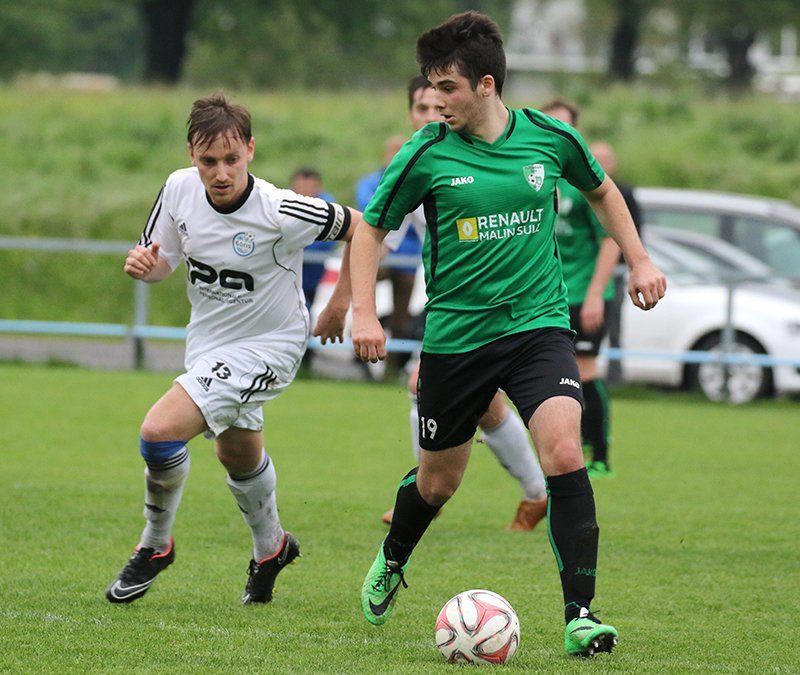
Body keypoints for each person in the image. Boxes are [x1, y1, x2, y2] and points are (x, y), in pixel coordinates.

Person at [349, 12, 665, 657]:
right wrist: (363, 312)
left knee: (565, 452)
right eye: (430, 89)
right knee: (438, 484)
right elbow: (371, 229)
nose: (437, 102)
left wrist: (639, 259)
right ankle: (394, 556)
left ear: (486, 84)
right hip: (458, 339)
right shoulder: (427, 152)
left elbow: (603, 192)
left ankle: (581, 616)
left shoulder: (549, 138)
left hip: (538, 327)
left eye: (448, 88)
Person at [106, 93, 357, 605]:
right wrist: (144, 267)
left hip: (270, 345)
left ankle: (155, 545)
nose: (220, 173)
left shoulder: (281, 209)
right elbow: (162, 262)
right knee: (236, 452)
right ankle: (271, 549)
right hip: (209, 342)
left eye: (231, 159)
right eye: (208, 161)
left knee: (158, 432)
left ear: (250, 150)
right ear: (191, 155)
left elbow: (364, 226)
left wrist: (342, 304)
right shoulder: (178, 188)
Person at [380, 75, 549, 530]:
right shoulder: (419, 161)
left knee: (423, 385)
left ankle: (425, 496)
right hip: (448, 304)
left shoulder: (480, 152)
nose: (431, 115)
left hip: (500, 305)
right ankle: (536, 494)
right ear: (411, 114)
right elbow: (379, 235)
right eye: (421, 108)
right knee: (486, 405)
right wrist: (349, 301)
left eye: (437, 106)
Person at [541, 100, 619, 479]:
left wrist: (595, 295)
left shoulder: (583, 179)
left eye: (564, 124)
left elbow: (611, 239)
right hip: (545, 298)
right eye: (549, 123)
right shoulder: (536, 176)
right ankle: (561, 452)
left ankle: (599, 454)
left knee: (585, 372)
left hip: (581, 294)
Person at [356, 137, 421, 373]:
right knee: (362, 295)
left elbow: (408, 220)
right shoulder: (370, 182)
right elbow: (370, 215)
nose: (395, 157)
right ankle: (361, 359)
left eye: (399, 152)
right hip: (381, 255)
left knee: (401, 318)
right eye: (392, 152)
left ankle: (392, 368)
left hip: (407, 260)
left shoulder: (416, 180)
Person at [589, 141, 643, 387]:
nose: (600, 164)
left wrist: (636, 264)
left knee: (613, 324)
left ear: (613, 164)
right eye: (595, 159)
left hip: (615, 271)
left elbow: (629, 231)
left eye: (604, 160)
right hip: (584, 273)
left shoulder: (623, 192)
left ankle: (615, 376)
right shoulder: (576, 189)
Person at [290, 167, 337, 310]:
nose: (305, 191)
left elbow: (331, 238)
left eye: (310, 187)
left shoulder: (329, 207)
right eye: (301, 187)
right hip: (287, 268)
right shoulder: (281, 204)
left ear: (318, 187)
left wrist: (299, 243)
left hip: (313, 271)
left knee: (307, 306)